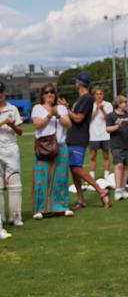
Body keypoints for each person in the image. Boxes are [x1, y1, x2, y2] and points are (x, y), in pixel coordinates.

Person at [58, 72, 110, 210]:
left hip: (78, 137)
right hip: (72, 136)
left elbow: (78, 118)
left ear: (80, 83)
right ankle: (81, 200)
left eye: (76, 81)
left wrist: (66, 108)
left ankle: (101, 191)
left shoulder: (87, 99)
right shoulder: (81, 99)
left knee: (77, 168)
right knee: (73, 169)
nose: (74, 83)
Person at [31, 83, 74, 219]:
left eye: (52, 92)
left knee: (60, 178)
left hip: (60, 145)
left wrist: (59, 115)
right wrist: (50, 115)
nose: (50, 94)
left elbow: (69, 125)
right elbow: (38, 125)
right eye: (47, 92)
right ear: (42, 95)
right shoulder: (37, 108)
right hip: (43, 146)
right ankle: (39, 209)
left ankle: (61, 207)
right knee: (41, 178)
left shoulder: (61, 108)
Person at [0, 81, 24, 228]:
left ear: (4, 92)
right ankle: (1, 218)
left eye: (1, 91)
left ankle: (16, 217)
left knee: (15, 184)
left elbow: (20, 132)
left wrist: (12, 125)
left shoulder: (12, 109)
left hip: (11, 148)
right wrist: (4, 122)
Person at [106, 95, 128, 201]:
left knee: (125, 166)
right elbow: (107, 129)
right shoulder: (111, 115)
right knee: (119, 165)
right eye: (124, 102)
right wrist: (117, 126)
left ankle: (123, 189)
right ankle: (117, 190)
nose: (125, 104)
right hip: (116, 144)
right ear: (118, 104)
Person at [89, 86, 113, 180]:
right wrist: (96, 109)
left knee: (106, 155)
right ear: (94, 95)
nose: (99, 96)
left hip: (105, 134)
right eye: (97, 94)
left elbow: (109, 119)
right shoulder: (90, 105)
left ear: (103, 95)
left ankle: (106, 176)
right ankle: (91, 177)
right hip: (93, 135)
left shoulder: (108, 104)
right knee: (92, 156)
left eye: (101, 94)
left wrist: (102, 109)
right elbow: (88, 119)